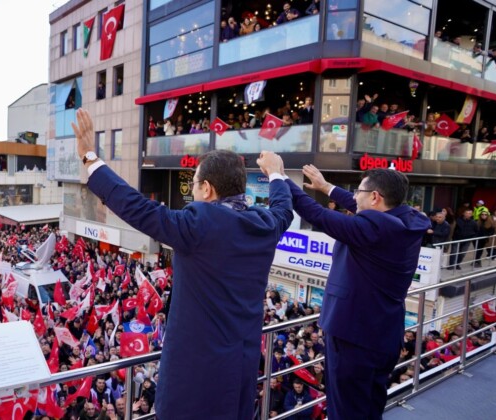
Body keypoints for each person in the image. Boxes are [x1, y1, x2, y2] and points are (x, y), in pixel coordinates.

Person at [71, 108, 293, 419]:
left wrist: (90, 158)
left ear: (208, 189)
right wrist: (277, 173)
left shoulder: (202, 222)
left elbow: (139, 209)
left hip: (195, 381)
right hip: (240, 372)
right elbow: (284, 209)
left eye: (194, 184)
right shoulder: (265, 223)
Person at [263, 159, 430, 419]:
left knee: (346, 411)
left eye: (358, 192)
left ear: (375, 197)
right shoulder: (410, 218)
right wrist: (327, 187)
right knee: (370, 406)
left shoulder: (373, 230)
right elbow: (366, 209)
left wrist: (278, 176)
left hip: (354, 338)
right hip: (383, 335)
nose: (353, 197)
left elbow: (317, 214)